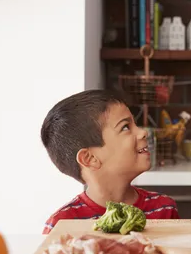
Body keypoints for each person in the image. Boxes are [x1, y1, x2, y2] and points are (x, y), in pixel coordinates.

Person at [41, 89, 179, 234]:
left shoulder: (164, 209)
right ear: (90, 159)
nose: (143, 132)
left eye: (134, 124)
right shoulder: (61, 225)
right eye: (125, 127)